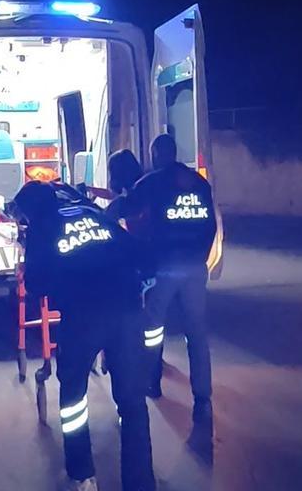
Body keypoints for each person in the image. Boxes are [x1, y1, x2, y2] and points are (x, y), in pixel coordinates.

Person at [13, 181, 155, 491]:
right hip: (126, 311)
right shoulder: (93, 213)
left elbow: (36, 283)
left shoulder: (42, 227)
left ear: (30, 211)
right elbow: (140, 254)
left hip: (82, 318)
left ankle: (82, 475)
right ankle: (141, 483)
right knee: (132, 401)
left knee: (74, 397)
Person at [127, 134, 217, 422]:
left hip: (164, 267)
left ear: (156, 154)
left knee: (153, 328)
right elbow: (211, 226)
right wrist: (200, 258)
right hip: (194, 267)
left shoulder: (151, 182)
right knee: (197, 333)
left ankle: (151, 381)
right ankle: (202, 398)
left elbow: (128, 208)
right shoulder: (200, 183)